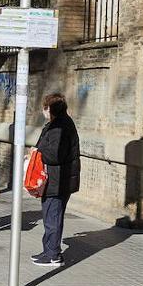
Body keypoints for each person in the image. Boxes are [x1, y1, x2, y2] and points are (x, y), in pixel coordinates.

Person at [31, 93, 80, 266]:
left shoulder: (60, 127)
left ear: (50, 109)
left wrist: (38, 154)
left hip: (58, 180)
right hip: (55, 179)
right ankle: (49, 250)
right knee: (50, 216)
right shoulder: (56, 124)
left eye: (45, 108)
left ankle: (53, 255)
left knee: (53, 217)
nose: (43, 111)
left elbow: (55, 155)